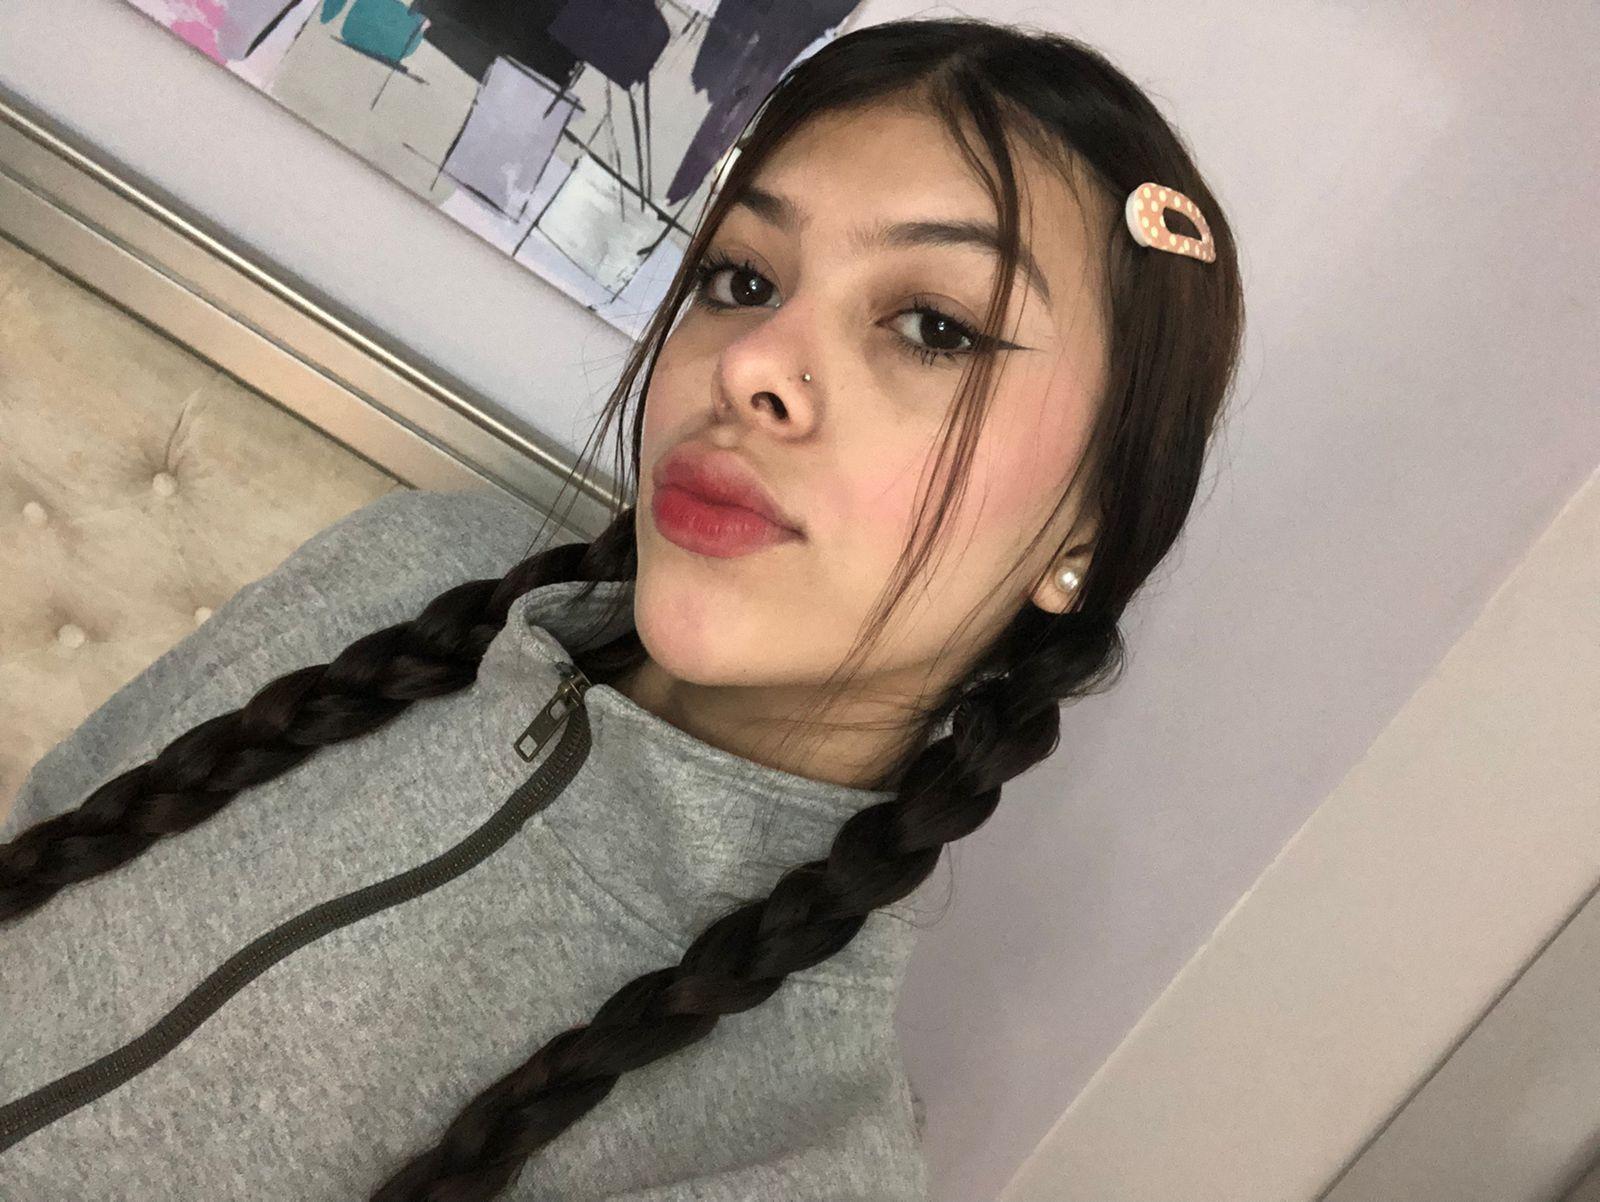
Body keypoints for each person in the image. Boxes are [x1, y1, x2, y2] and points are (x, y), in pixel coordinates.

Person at [0, 15, 1244, 1201]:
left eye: (933, 326)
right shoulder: (407, 564)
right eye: (742, 278)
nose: (747, 364)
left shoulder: (786, 1161)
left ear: (1087, 530)